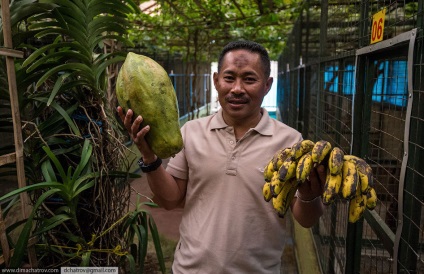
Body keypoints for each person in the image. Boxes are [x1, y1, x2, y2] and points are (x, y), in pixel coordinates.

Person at [117, 40, 326, 274]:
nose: (237, 88)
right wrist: (148, 155)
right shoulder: (191, 132)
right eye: (229, 78)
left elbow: (306, 220)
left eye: (249, 79)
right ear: (216, 81)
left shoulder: (290, 142)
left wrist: (308, 195)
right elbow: (170, 200)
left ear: (267, 85)